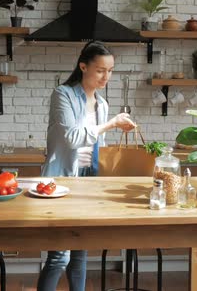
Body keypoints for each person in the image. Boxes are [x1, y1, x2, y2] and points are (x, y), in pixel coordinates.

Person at [37, 41, 136, 291]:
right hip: (61, 181)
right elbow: (71, 138)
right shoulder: (63, 94)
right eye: (101, 70)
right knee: (60, 256)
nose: (106, 76)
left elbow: (97, 147)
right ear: (83, 66)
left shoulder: (101, 105)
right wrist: (112, 124)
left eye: (110, 70)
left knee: (80, 254)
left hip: (89, 181)